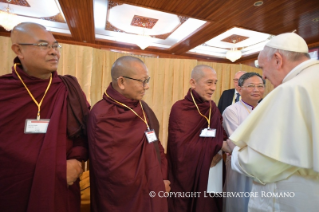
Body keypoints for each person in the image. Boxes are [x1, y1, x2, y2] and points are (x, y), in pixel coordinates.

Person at [224, 33, 319, 211]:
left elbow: (260, 164)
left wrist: (236, 154)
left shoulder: (293, 89)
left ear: (277, 60)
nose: (264, 77)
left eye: (263, 68)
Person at [0, 23, 90, 212]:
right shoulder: (3, 90)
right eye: (43, 45)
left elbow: (85, 132)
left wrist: (77, 161)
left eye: (55, 46)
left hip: (59, 185)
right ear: (19, 50)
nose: (53, 52)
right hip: (12, 187)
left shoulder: (68, 89)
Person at [88, 56, 170, 212]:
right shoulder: (101, 114)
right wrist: (149, 183)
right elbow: (109, 170)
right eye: (142, 81)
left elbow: (155, 144)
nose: (146, 87)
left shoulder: (143, 108)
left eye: (147, 80)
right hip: (123, 198)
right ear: (121, 82)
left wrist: (162, 177)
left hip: (153, 186)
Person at [167, 65, 228, 212]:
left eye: (215, 83)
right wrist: (217, 146)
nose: (213, 88)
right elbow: (180, 147)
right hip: (187, 173)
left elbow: (220, 133)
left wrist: (219, 150)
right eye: (209, 82)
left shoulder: (212, 107)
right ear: (193, 83)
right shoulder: (180, 108)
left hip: (211, 169)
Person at [222, 72, 265, 212]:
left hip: (263, 166)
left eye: (260, 86)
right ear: (239, 89)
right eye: (251, 86)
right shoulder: (231, 111)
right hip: (240, 164)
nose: (256, 90)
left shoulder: (266, 109)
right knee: (239, 203)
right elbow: (237, 141)